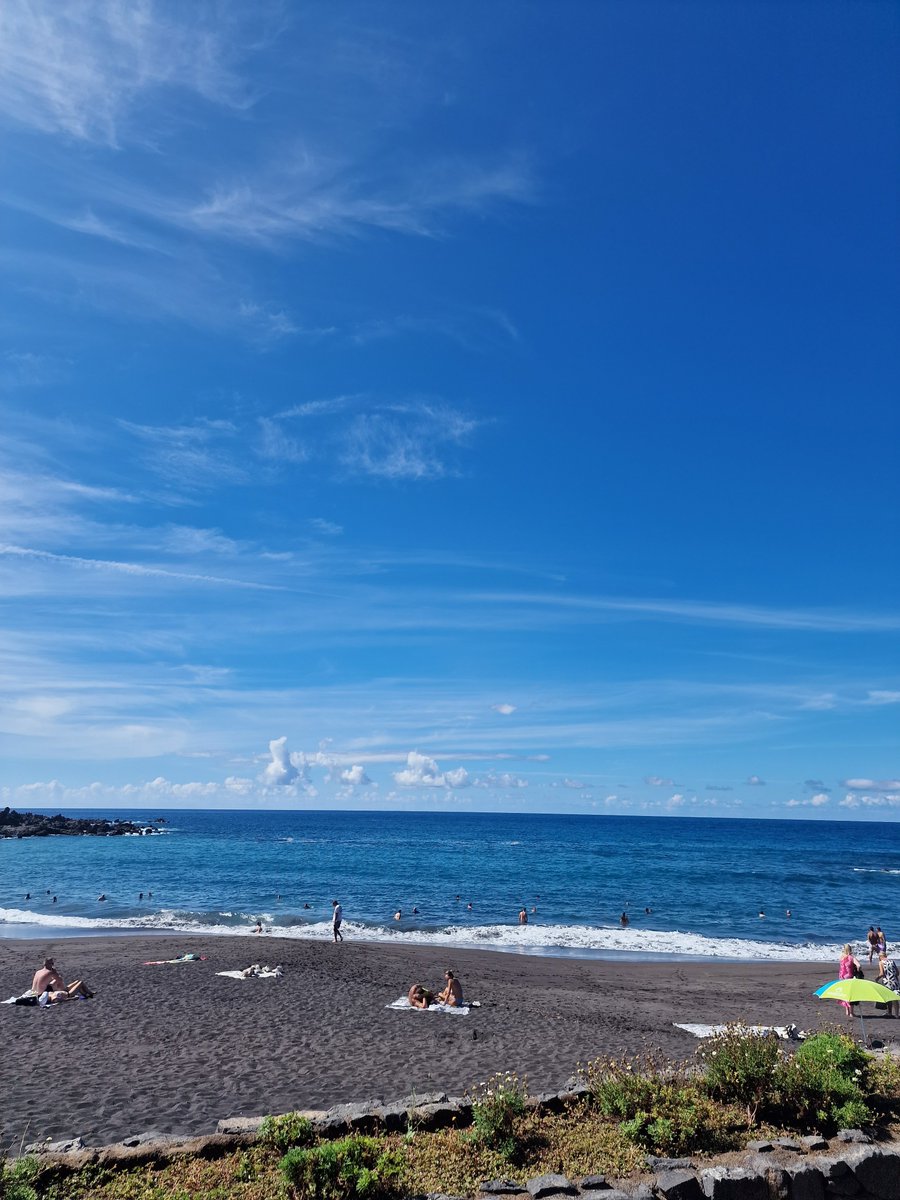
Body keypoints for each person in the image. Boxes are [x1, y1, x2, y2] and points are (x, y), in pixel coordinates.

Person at [839, 943, 861, 1017]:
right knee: (851, 995)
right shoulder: (851, 957)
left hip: (842, 977)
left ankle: (847, 1011)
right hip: (849, 977)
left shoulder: (841, 957)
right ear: (850, 949)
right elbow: (858, 965)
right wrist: (857, 970)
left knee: (845, 994)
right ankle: (851, 1012)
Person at [877, 951, 900, 1017]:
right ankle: (897, 1014)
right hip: (895, 981)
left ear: (880, 957)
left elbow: (881, 973)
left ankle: (889, 1012)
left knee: (888, 997)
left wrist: (877, 979)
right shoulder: (892, 961)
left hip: (887, 982)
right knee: (895, 997)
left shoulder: (881, 962)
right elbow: (898, 973)